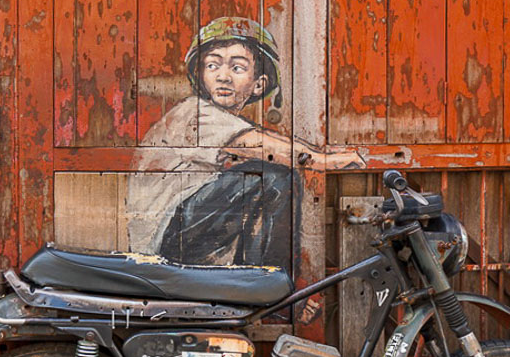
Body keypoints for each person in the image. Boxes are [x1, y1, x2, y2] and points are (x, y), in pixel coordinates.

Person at [126, 17, 364, 270]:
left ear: (259, 83)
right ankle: (267, 281)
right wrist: (322, 159)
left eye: (237, 68)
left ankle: (257, 279)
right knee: (272, 177)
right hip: (162, 240)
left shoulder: (222, 120)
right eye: (213, 65)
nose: (223, 77)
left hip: (180, 233)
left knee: (261, 176)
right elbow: (261, 145)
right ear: (201, 75)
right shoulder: (193, 112)